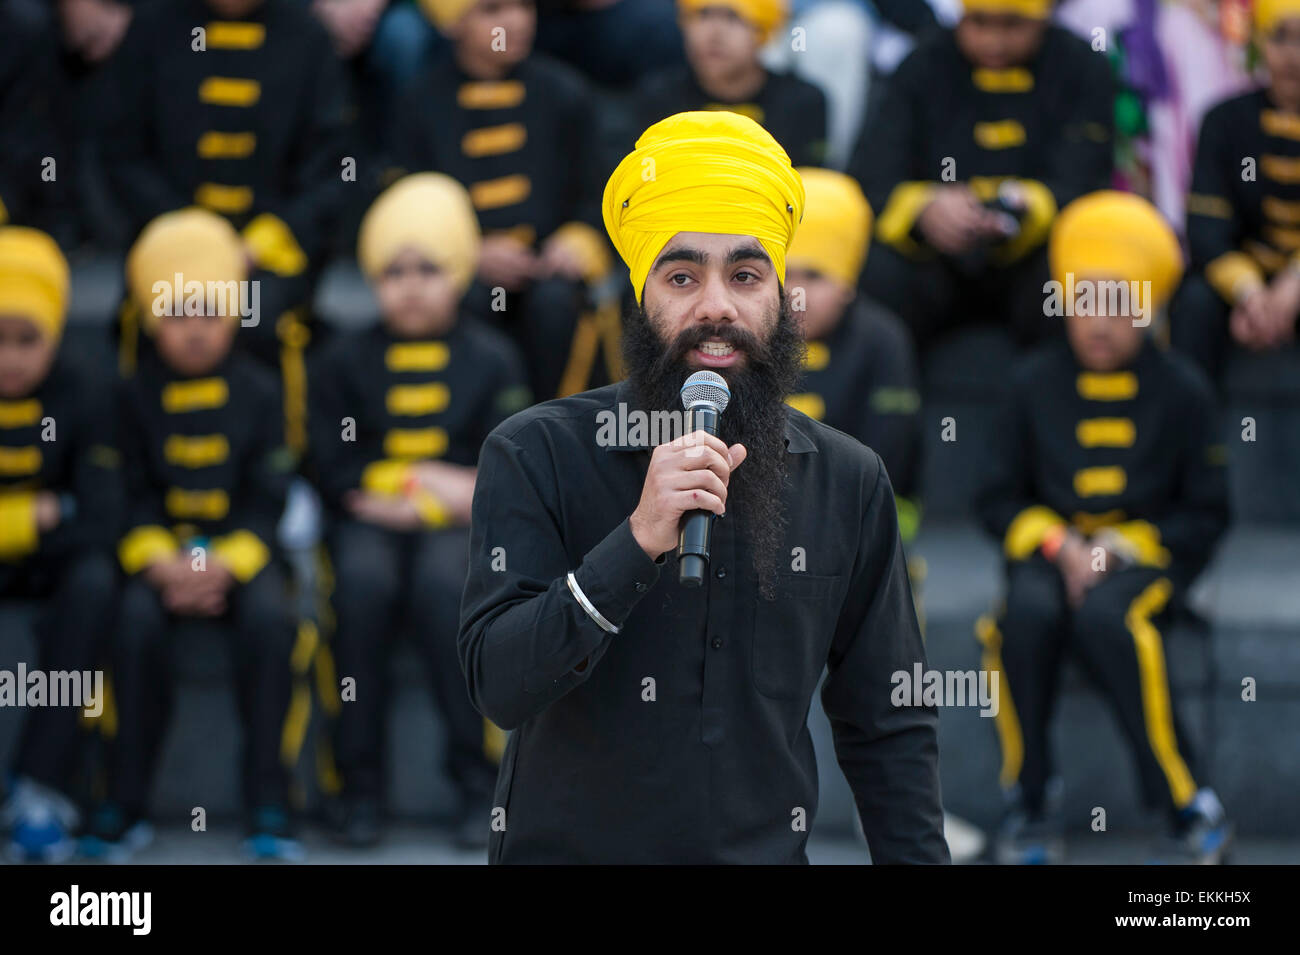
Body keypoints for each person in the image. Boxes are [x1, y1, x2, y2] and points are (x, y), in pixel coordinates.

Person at [459, 110, 950, 864]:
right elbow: (498, 684)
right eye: (682, 277)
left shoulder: (848, 480)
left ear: (781, 298)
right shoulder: (536, 451)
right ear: (641, 298)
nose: (716, 306)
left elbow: (890, 724)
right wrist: (634, 543)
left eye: (745, 276)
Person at [975, 191, 1233, 864]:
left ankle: (1185, 799)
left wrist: (1118, 550)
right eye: (1085, 301)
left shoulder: (1183, 389)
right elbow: (995, 498)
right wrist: (1060, 545)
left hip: (1147, 556)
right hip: (1050, 550)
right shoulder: (1030, 382)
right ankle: (1029, 796)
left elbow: (1208, 510)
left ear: (1149, 308)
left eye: (1120, 305)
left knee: (1110, 620)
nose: (1100, 321)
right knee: (1020, 619)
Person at [308, 173, 531, 849]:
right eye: (393, 272)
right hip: (369, 520)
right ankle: (358, 787)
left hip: (461, 527)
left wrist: (440, 498)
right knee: (360, 587)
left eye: (428, 269)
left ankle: (477, 785)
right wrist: (423, 484)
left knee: (447, 589)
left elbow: (510, 464)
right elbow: (330, 465)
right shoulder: (342, 360)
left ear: (459, 272)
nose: (410, 286)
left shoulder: (493, 357)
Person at [82, 209, 299, 861]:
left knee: (273, 621)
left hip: (239, 556)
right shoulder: (126, 397)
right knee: (131, 624)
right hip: (158, 561)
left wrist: (223, 563)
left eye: (209, 312)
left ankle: (269, 800)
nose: (195, 329)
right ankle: (123, 797)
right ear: (152, 319)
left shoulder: (262, 391)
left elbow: (269, 493)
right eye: (177, 314)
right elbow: (122, 494)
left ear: (233, 314)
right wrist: (162, 563)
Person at [99, 0, 354, 454]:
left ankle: (276, 466)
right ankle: (143, 471)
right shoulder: (154, 27)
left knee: (255, 315)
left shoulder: (306, 36)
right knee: (166, 314)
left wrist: (263, 241)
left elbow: (335, 167)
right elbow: (120, 152)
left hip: (267, 252)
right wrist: (192, 238)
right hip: (172, 245)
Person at [848, 0, 1114, 354]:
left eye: (1012, 25)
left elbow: (1088, 180)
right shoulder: (924, 63)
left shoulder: (1081, 67)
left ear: (1042, 20)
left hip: (1036, 254)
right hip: (933, 254)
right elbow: (874, 172)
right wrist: (923, 207)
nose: (994, 42)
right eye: (979, 23)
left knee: (1084, 268)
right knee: (877, 271)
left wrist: (1025, 206)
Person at [398, 0, 617, 402]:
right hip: (464, 271)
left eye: (522, 5)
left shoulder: (564, 92)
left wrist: (581, 237)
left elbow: (603, 188)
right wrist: (469, 251)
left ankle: (562, 424)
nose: (514, 21)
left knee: (555, 304)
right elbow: (406, 202)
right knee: (465, 301)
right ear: (453, 24)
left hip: (548, 267)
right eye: (492, 10)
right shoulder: (421, 103)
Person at [0, 227, 122, 862]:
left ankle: (41, 785)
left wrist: (60, 519)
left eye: (28, 340)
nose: (10, 359)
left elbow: (102, 517)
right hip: (35, 543)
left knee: (97, 582)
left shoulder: (85, 390)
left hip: (58, 563)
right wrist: (32, 515)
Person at [783, 167, 922, 542]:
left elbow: (891, 449)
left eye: (815, 276)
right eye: (785, 273)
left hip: (862, 508)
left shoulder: (883, 340)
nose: (796, 292)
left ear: (847, 282)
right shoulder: (745, 334)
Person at [1172, 0, 1300, 383]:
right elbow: (1206, 226)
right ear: (1259, 41)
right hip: (1245, 280)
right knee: (1194, 302)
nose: (1294, 56)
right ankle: (1197, 419)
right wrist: (1251, 294)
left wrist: (1293, 286)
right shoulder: (1225, 121)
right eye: (1281, 38)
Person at [635, 0, 829, 168]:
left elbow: (809, 183)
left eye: (733, 17)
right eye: (703, 14)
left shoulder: (802, 102)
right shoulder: (658, 96)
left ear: (762, 30)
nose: (715, 33)